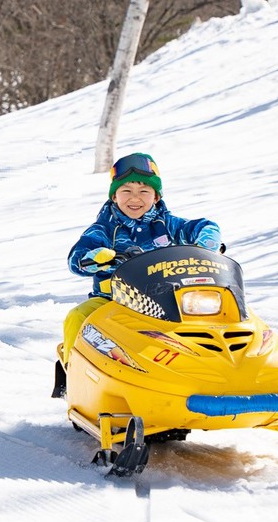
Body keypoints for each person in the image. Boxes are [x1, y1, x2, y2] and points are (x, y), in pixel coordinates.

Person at [59, 152, 221, 364]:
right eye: (126, 190)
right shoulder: (104, 229)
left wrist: (206, 241)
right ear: (114, 196)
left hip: (165, 301)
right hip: (112, 302)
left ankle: (213, 365)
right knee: (78, 316)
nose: (135, 198)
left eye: (144, 191)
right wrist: (95, 257)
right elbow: (76, 259)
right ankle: (73, 371)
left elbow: (201, 226)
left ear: (155, 197)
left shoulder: (166, 224)